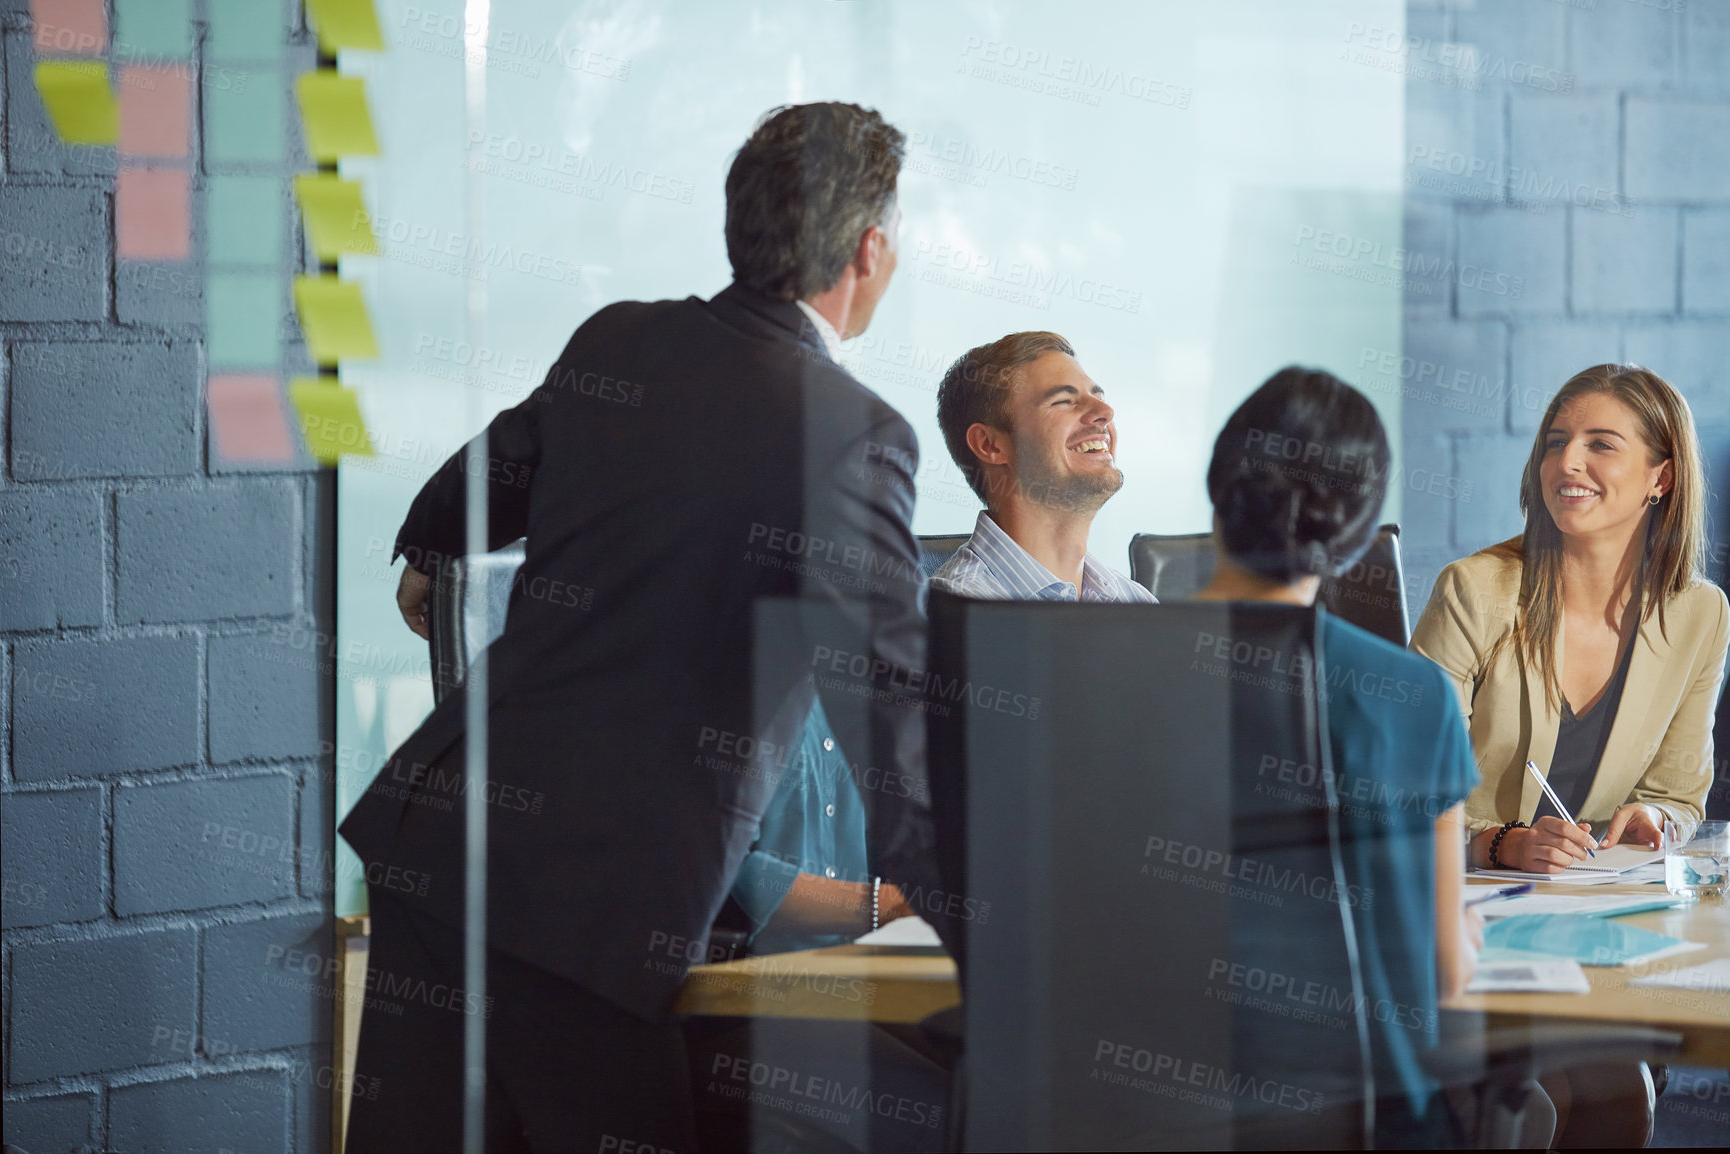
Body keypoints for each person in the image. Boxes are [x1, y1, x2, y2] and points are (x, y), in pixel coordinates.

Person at [339, 102, 937, 1153]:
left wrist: (430, 553)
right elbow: (890, 714)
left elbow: (487, 476)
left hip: (443, 838)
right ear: (870, 249)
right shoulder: (853, 437)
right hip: (593, 905)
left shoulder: (622, 338)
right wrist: (992, 919)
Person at [1194, 367, 1482, 1145]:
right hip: (1365, 1124)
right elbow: (1444, 974)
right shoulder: (1411, 694)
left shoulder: (1078, 671)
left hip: (1121, 1114)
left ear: (1217, 490)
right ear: (1353, 538)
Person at [1411, 364, 1726, 875]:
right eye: (1556, 443)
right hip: (1464, 896)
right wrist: (1497, 844)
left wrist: (1655, 816)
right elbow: (1402, 796)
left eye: (1600, 445)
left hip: (1598, 898)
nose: (1567, 462)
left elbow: (1679, 796)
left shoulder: (1700, 613)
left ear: (1661, 478)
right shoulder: (1472, 591)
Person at [928, 331, 1153, 603]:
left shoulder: (1137, 602)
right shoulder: (958, 611)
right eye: (1063, 400)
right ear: (990, 445)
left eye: (1098, 396)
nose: (1105, 412)